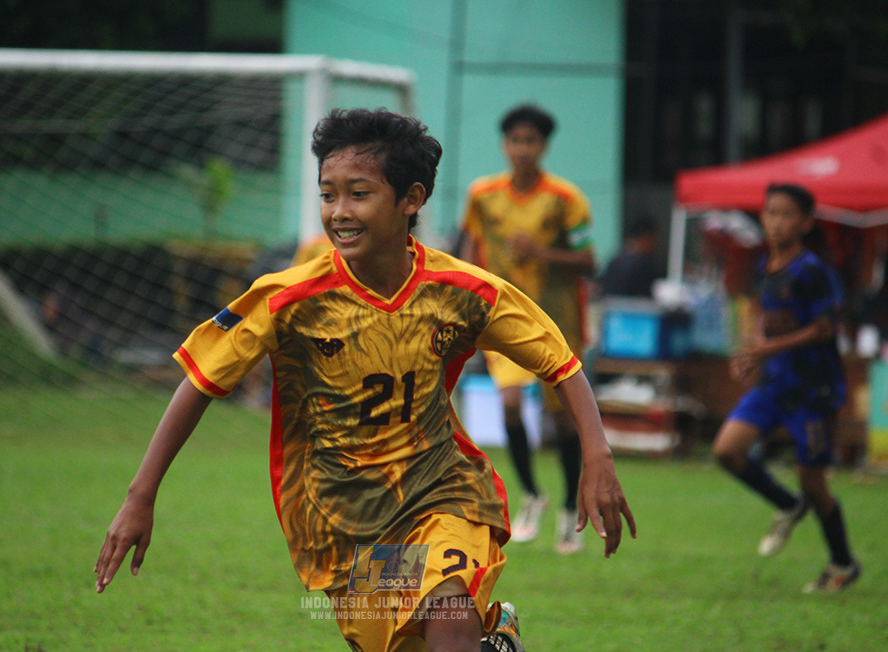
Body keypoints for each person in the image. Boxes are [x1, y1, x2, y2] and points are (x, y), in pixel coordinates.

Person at [95, 108, 636, 651]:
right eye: (328, 194)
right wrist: (141, 496)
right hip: (340, 517)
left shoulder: (463, 292)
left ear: (412, 199)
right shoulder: (288, 300)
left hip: (441, 491)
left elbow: (559, 360)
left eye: (358, 193)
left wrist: (598, 455)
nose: (339, 212)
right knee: (410, 642)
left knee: (448, 612)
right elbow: (201, 381)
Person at [712, 183, 860, 593]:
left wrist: (765, 348)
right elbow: (766, 318)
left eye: (786, 214)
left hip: (813, 389)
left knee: (814, 480)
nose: (776, 222)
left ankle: (843, 564)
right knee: (727, 450)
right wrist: (752, 356)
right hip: (775, 384)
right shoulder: (766, 267)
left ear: (806, 222)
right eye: (770, 213)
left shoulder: (811, 270)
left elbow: (826, 327)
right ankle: (787, 504)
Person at [460, 104, 595, 551]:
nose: (522, 149)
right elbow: (469, 247)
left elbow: (590, 260)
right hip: (501, 318)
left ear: (543, 146)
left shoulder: (565, 199)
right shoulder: (482, 194)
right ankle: (533, 495)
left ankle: (570, 509)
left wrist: (541, 253)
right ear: (505, 144)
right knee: (512, 404)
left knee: (560, 420)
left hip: (556, 320)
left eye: (530, 141)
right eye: (515, 140)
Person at [596, 215, 662, 299]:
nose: (656, 246)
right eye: (655, 240)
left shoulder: (614, 260)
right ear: (647, 237)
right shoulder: (643, 264)